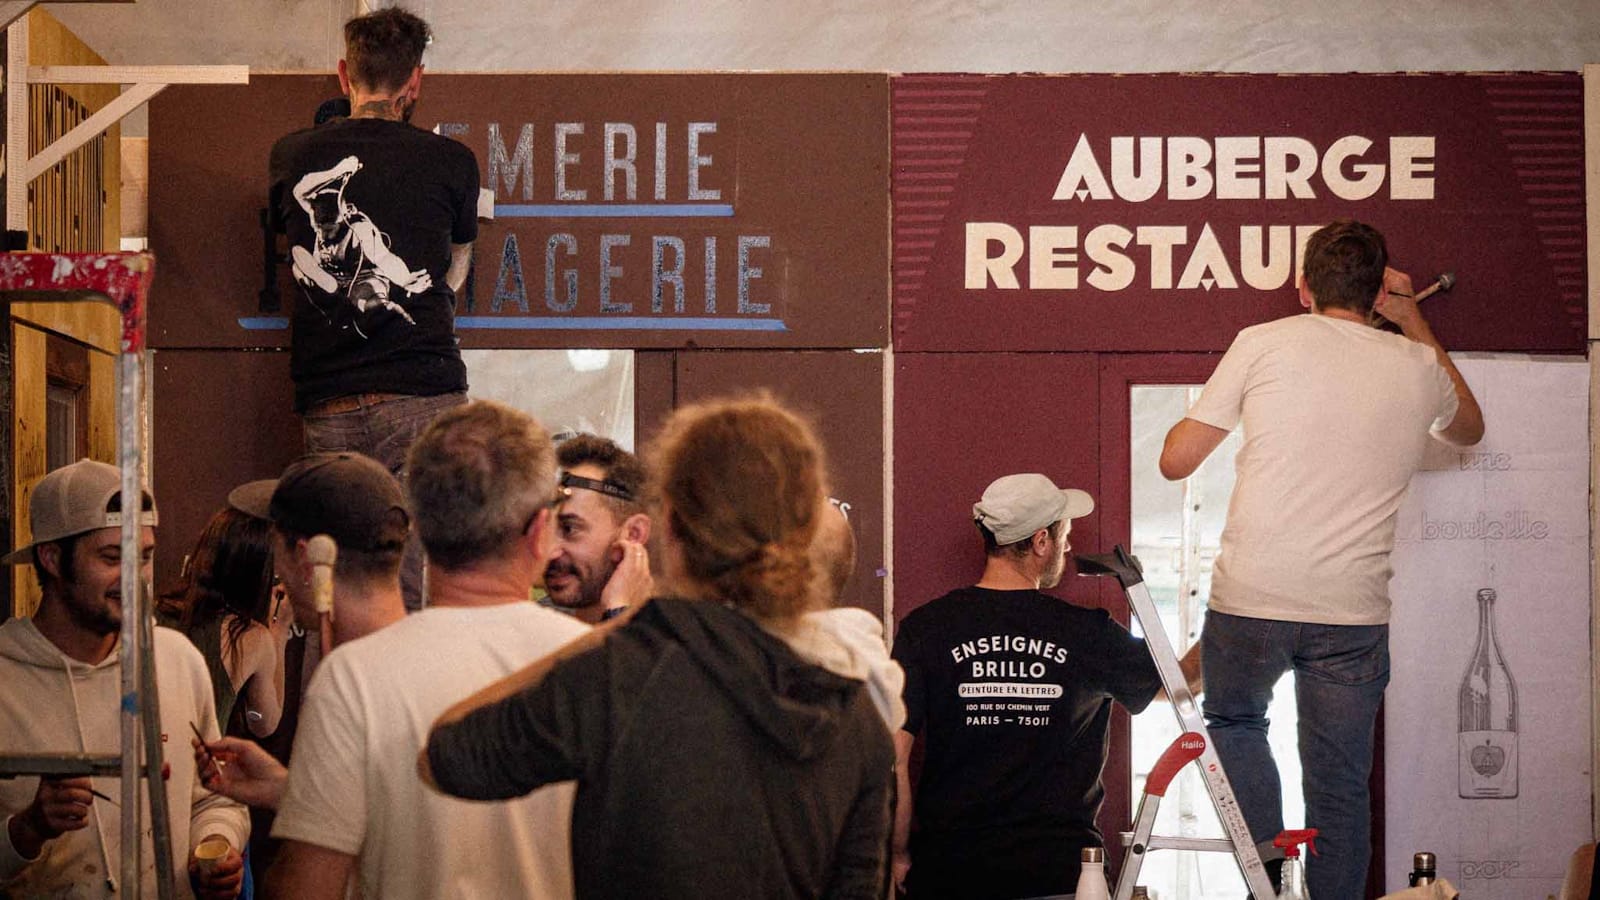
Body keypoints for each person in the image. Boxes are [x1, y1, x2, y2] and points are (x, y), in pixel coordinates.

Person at [423, 395, 893, 900]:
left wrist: (614, 629)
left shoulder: (625, 670)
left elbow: (446, 756)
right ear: (803, 533)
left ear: (668, 526)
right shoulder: (857, 713)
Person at [1159, 219, 1485, 898]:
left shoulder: (1263, 342)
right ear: (1377, 295)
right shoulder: (1417, 364)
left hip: (1252, 597)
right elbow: (1469, 430)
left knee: (1236, 720)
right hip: (1353, 613)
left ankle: (1273, 880)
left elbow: (1174, 462)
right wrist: (1412, 317)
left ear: (1302, 287)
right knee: (1339, 789)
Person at [256, 403, 590, 900]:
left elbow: (307, 887)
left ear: (422, 531)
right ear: (540, 533)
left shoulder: (356, 676)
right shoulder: (593, 666)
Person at [268, 6, 480, 612]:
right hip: (422, 389)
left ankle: (343, 698)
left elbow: (297, 253)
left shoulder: (290, 155)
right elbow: (454, 271)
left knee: (329, 584)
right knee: (415, 578)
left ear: (344, 75)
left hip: (328, 396)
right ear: (415, 80)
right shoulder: (452, 161)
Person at [890, 473, 1164, 899]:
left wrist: (898, 852)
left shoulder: (926, 629)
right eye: (1064, 535)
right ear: (1040, 542)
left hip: (947, 875)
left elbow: (894, 760)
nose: (1068, 547)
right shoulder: (1087, 633)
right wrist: (1224, 640)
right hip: (1058, 878)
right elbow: (1173, 686)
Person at [0, 459, 249, 899]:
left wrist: (215, 847)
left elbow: (214, 798)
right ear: (52, 558)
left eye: (145, 556)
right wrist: (28, 829)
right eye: (112, 557)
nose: (135, 577)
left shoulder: (176, 660)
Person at [196, 451, 416, 813]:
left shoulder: (346, 684)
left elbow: (319, 867)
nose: (276, 573)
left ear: (305, 558)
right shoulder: (427, 662)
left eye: (276, 550)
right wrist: (288, 790)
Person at [172, 506, 289, 738]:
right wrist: (280, 631)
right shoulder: (249, 636)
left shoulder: (155, 613)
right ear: (257, 575)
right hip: (200, 769)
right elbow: (264, 722)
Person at [543, 433, 653, 624]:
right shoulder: (534, 629)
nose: (549, 551)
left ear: (633, 533)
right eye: (544, 530)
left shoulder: (682, 637)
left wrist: (617, 609)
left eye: (569, 529)